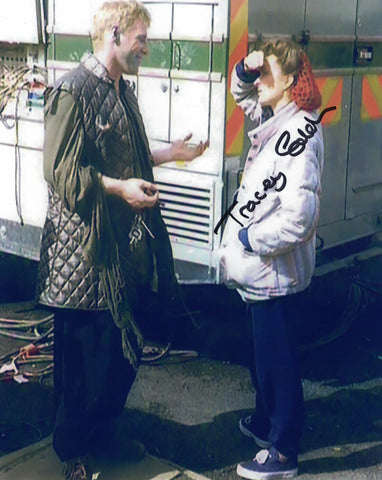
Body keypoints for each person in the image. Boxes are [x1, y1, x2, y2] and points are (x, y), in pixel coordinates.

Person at [35, 1, 208, 479]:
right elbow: (62, 175)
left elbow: (127, 153)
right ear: (114, 33)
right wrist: (119, 189)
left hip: (120, 255)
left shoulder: (121, 90)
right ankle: (74, 454)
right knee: (81, 369)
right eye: (141, 39)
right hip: (82, 259)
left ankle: (104, 435)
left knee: (118, 358)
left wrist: (171, 153)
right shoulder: (71, 91)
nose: (146, 49)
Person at [219, 39, 324, 479]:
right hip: (263, 272)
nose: (258, 81)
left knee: (278, 362)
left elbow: (300, 218)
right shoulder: (275, 118)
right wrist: (248, 64)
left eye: (267, 74)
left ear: (288, 83)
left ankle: (283, 450)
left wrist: (249, 237)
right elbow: (242, 92)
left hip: (274, 270)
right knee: (263, 355)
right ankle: (266, 423)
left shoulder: (299, 133)